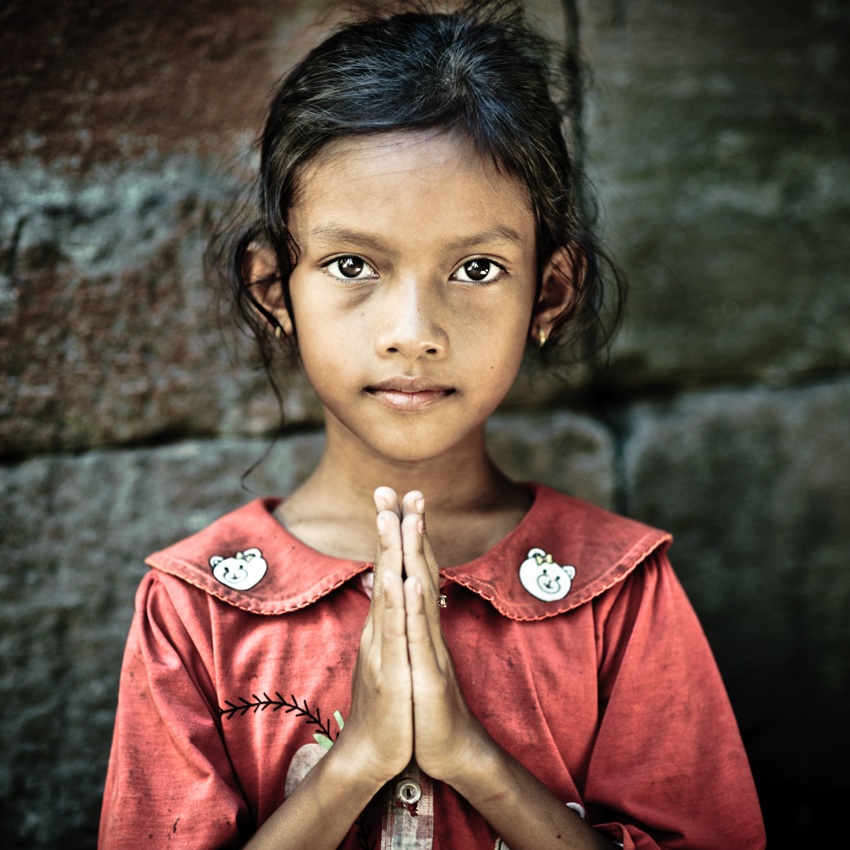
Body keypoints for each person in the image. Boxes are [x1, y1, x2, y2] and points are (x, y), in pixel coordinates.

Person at [99, 2, 765, 848]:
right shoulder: (197, 617)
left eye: (476, 268)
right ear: (275, 292)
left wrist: (471, 756)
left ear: (549, 295)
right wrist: (358, 761)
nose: (414, 328)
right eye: (353, 265)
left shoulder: (615, 595)